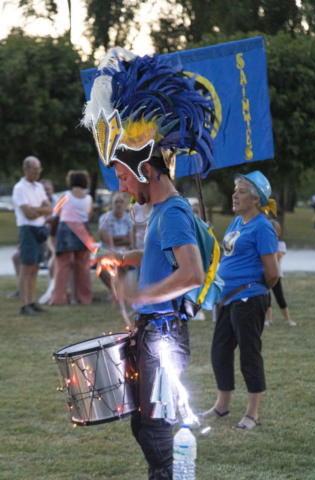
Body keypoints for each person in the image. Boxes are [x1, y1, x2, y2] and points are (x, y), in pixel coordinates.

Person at [82, 48, 215, 479]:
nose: (121, 183)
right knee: (146, 424)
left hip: (163, 335)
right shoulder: (162, 213)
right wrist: (122, 256)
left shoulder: (172, 211)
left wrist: (140, 293)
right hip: (154, 334)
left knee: (158, 432)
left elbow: (191, 272)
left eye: (122, 174)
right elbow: (161, 256)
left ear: (144, 167)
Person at [202, 171, 279, 430]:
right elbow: (228, 257)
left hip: (249, 299)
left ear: (256, 200)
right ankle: (222, 407)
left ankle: (252, 414)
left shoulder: (263, 227)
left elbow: (273, 273)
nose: (234, 195)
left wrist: (253, 289)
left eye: (241, 191)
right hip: (227, 300)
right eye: (235, 190)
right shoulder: (237, 223)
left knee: (249, 355)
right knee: (220, 352)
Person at [12, 156, 53, 316]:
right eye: (34, 169)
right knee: (26, 267)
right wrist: (39, 210)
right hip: (27, 229)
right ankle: (24, 304)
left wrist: (36, 209)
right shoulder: (19, 188)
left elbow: (49, 208)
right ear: (26, 169)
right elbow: (27, 214)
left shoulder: (39, 187)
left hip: (40, 228)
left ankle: (31, 302)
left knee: (35, 266)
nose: (37, 172)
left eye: (39, 169)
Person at [50, 171, 93, 305]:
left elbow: (56, 211)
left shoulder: (65, 195)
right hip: (83, 230)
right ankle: (85, 298)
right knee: (83, 266)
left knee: (62, 266)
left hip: (66, 229)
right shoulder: (89, 198)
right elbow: (89, 216)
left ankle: (59, 298)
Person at [98, 192, 134, 300]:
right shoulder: (104, 217)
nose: (118, 204)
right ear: (111, 203)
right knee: (100, 263)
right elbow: (103, 238)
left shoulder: (129, 219)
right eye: (116, 202)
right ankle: (116, 292)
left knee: (123, 260)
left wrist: (112, 239)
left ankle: (117, 293)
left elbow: (129, 240)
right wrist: (121, 238)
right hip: (104, 250)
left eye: (121, 202)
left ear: (125, 203)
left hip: (122, 250)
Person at [264, 220, 296, 326]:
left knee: (280, 297)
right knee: (267, 298)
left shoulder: (280, 244)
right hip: (264, 274)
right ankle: (269, 319)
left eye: (274, 231)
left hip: (276, 275)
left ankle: (288, 319)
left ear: (278, 232)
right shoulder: (263, 244)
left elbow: (278, 256)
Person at [38, 179, 58, 304]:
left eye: (48, 189)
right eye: (43, 189)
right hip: (42, 236)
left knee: (53, 263)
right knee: (16, 256)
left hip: (54, 238)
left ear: (52, 190)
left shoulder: (58, 203)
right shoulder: (37, 202)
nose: (46, 192)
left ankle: (52, 291)